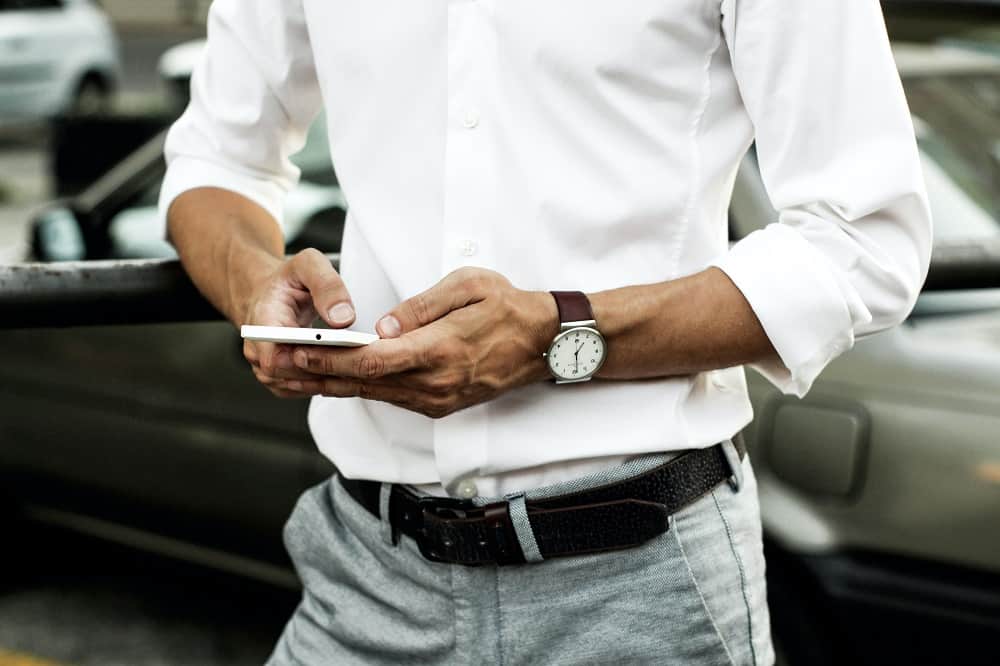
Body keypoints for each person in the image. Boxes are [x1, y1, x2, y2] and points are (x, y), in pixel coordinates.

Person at [160, 1, 931, 663]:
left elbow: (865, 239)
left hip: (643, 586)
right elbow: (216, 159)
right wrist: (252, 282)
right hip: (365, 574)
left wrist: (556, 338)